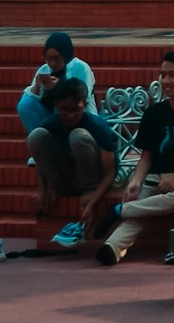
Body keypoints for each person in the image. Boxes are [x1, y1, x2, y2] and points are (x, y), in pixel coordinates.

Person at [94, 47, 174, 264]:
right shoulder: (154, 114)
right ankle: (112, 248)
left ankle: (119, 211)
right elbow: (146, 156)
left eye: (172, 75)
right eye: (162, 75)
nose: (165, 80)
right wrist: (135, 181)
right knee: (139, 208)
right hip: (154, 177)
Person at [26, 77, 118, 253]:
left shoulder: (98, 126)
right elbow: (40, 162)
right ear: (56, 106)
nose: (70, 115)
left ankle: (88, 189)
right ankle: (57, 188)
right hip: (67, 178)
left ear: (84, 103)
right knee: (36, 136)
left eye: (75, 110)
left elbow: (110, 172)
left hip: (94, 180)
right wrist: (42, 190)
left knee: (78, 135)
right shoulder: (52, 124)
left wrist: (93, 201)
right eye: (64, 110)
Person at [15, 29, 98, 135]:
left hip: (77, 115)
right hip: (51, 115)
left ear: (65, 55)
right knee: (25, 103)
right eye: (48, 59)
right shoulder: (44, 69)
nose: (52, 63)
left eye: (56, 59)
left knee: (66, 107)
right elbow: (32, 97)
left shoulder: (81, 68)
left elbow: (82, 96)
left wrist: (59, 87)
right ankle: (39, 140)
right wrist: (37, 88)